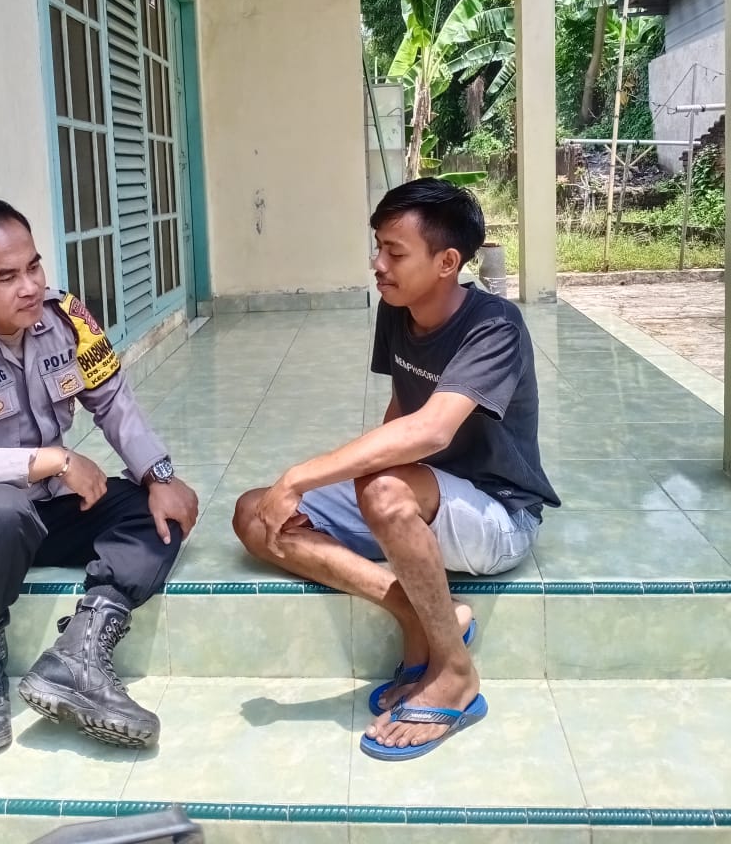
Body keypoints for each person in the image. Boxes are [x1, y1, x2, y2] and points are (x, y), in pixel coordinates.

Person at [233, 178, 559, 762]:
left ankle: (455, 673)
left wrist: (301, 477)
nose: (378, 264)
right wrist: (306, 490)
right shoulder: (399, 309)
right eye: (377, 247)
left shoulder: (495, 326)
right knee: (257, 514)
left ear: (447, 262)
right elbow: (399, 417)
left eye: (395, 252)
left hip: (498, 516)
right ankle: (420, 614)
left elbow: (430, 430)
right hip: (422, 498)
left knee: (381, 490)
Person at [0, 198, 198, 755]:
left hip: (44, 509)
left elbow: (114, 402)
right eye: (6, 276)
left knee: (155, 511)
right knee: (2, 509)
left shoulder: (66, 319)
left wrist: (159, 475)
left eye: (33, 266)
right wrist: (55, 460)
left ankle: (80, 650)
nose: (30, 286)